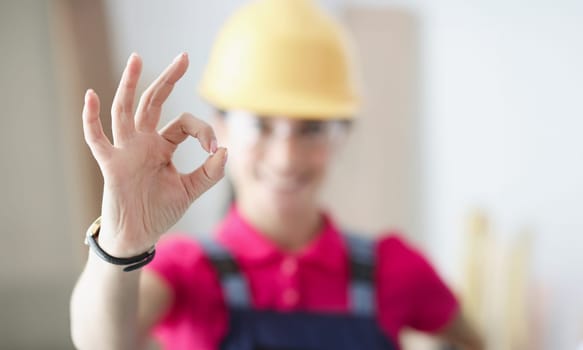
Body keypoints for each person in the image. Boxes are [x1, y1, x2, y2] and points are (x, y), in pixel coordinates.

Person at [70, 0, 483, 349]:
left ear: (343, 135)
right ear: (221, 124)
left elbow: (474, 340)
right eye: (260, 125)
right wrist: (120, 245)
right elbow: (102, 341)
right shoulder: (187, 270)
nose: (286, 158)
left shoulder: (394, 269)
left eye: (312, 128)